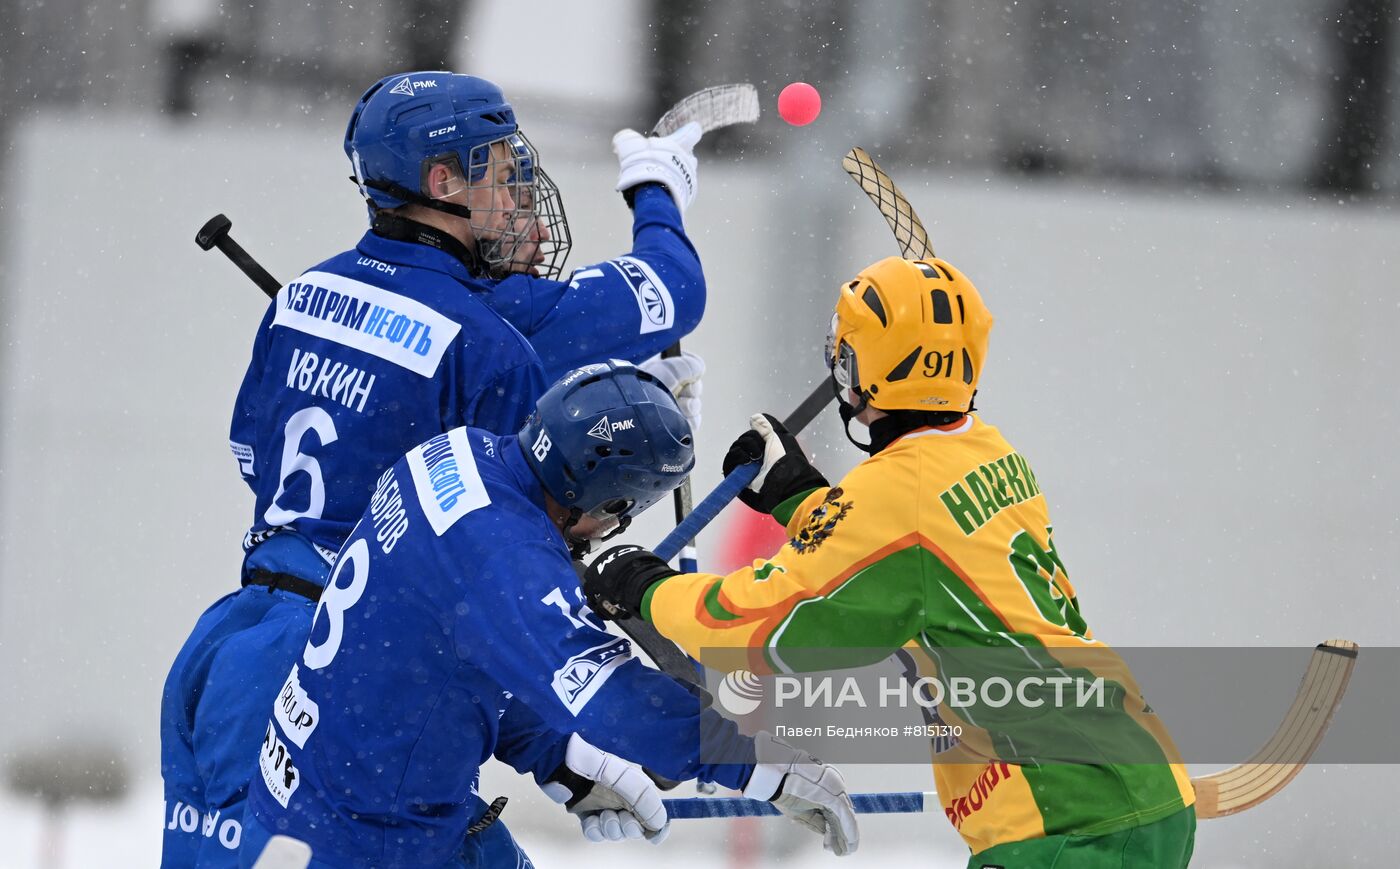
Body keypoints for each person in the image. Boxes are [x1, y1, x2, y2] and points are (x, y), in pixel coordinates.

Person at [161, 70, 707, 867]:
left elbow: (252, 453)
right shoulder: (489, 338)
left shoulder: (304, 294)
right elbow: (496, 564)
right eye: (497, 165)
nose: (517, 186)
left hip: (229, 643)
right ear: (441, 180)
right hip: (345, 678)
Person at [583, 256, 1197, 868]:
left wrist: (644, 586)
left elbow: (762, 626)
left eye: (844, 355)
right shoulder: (984, 450)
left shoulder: (894, 496)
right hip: (1134, 780)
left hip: (1068, 819)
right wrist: (797, 495)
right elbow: (908, 556)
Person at [237, 361, 859, 868]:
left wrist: (558, 756)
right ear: (607, 496)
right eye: (624, 511)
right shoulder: (505, 556)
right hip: (375, 840)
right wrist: (761, 765)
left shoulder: (457, 452)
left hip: (322, 793)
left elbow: (440, 655)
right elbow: (613, 699)